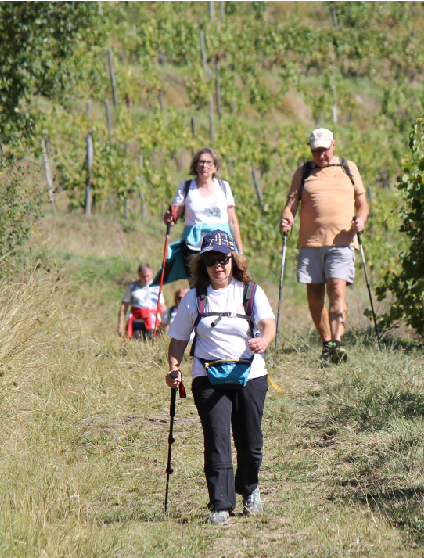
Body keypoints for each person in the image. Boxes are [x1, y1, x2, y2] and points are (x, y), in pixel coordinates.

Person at [165, 229, 276, 525]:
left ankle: (249, 488)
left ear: (233, 260)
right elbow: (177, 341)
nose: (218, 266)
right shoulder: (194, 298)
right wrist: (174, 368)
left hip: (250, 373)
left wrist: (263, 341)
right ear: (203, 264)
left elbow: (267, 324)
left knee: (250, 442)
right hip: (208, 375)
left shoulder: (250, 291)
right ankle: (220, 505)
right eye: (212, 260)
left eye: (223, 259)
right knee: (216, 438)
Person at [279, 128, 369, 364]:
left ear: (333, 146)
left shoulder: (348, 168)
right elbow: (291, 204)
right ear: (311, 149)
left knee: (337, 291)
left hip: (343, 241)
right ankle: (326, 343)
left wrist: (362, 219)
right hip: (311, 242)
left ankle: (337, 343)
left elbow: (363, 204)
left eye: (324, 149)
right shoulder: (304, 171)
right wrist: (286, 218)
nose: (321, 155)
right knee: (314, 297)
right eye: (316, 150)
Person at [162, 147, 244, 284]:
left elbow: (233, 220)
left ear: (215, 167)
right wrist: (169, 217)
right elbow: (175, 215)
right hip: (194, 245)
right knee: (197, 285)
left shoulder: (223, 187)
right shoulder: (186, 187)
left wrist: (239, 250)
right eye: (200, 162)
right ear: (195, 165)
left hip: (221, 243)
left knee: (223, 284)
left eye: (208, 163)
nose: (204, 166)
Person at [118, 263, 166, 340]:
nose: (146, 279)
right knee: (136, 343)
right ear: (139, 274)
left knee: (152, 344)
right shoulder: (132, 286)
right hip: (136, 321)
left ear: (152, 273)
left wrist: (166, 323)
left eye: (148, 276)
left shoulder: (157, 287)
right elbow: (124, 305)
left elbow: (161, 306)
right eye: (143, 276)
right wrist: (120, 324)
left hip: (152, 321)